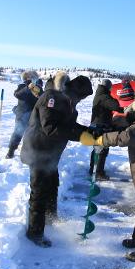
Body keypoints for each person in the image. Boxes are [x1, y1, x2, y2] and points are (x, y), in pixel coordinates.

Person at [81, 87, 135, 262]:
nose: (128, 106)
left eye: (131, 103)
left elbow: (129, 136)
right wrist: (109, 125)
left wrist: (102, 140)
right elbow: (127, 123)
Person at [20, 71, 93, 247]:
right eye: (80, 97)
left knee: (52, 185)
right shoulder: (51, 98)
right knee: (39, 192)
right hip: (38, 151)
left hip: (50, 153)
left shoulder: (66, 100)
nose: (80, 101)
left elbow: (69, 125)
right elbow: (50, 128)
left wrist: (89, 132)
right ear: (73, 90)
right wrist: (80, 136)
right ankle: (35, 233)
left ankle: (50, 219)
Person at [88, 79, 124, 180]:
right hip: (101, 127)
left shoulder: (100, 94)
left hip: (97, 125)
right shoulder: (104, 96)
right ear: (108, 87)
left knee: (97, 149)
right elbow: (115, 106)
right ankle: (98, 173)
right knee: (102, 149)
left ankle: (93, 170)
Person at [6, 70, 43, 159]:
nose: (33, 79)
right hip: (22, 115)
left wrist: (39, 92)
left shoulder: (38, 87)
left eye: (34, 78)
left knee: (31, 135)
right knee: (18, 133)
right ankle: (11, 151)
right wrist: (28, 88)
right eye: (31, 77)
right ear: (27, 78)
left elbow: (42, 97)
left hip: (34, 116)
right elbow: (17, 94)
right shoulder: (22, 86)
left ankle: (28, 152)